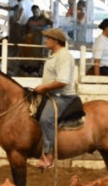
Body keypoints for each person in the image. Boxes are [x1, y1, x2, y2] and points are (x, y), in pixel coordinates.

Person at [34, 27, 77, 170]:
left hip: (62, 96)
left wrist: (43, 88)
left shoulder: (63, 56)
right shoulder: (54, 54)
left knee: (46, 119)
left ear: (56, 41)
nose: (46, 41)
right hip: (51, 94)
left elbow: (62, 81)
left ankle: (48, 156)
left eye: (48, 38)